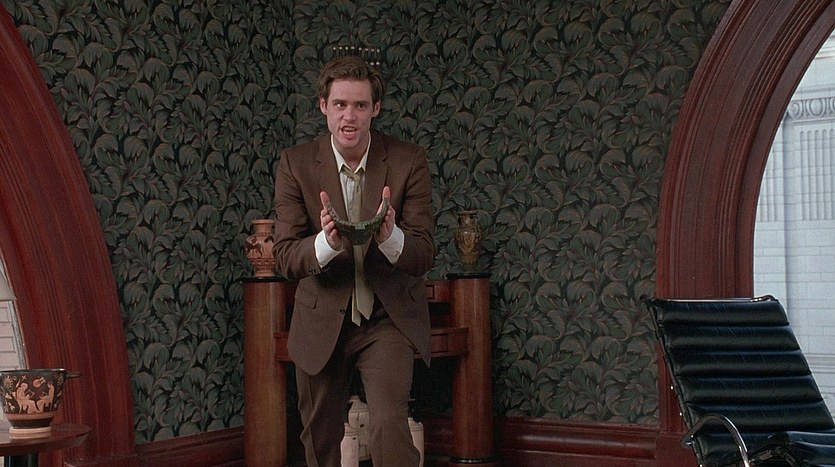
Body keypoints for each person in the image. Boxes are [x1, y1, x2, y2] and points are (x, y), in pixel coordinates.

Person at [273, 55, 435, 467]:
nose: (350, 116)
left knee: (388, 426)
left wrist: (391, 237)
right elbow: (285, 256)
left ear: (375, 109)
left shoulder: (408, 160)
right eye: (340, 104)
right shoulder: (295, 163)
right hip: (322, 316)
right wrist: (325, 244)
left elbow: (423, 254)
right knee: (320, 439)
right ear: (323, 106)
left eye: (360, 105)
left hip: (385, 317)